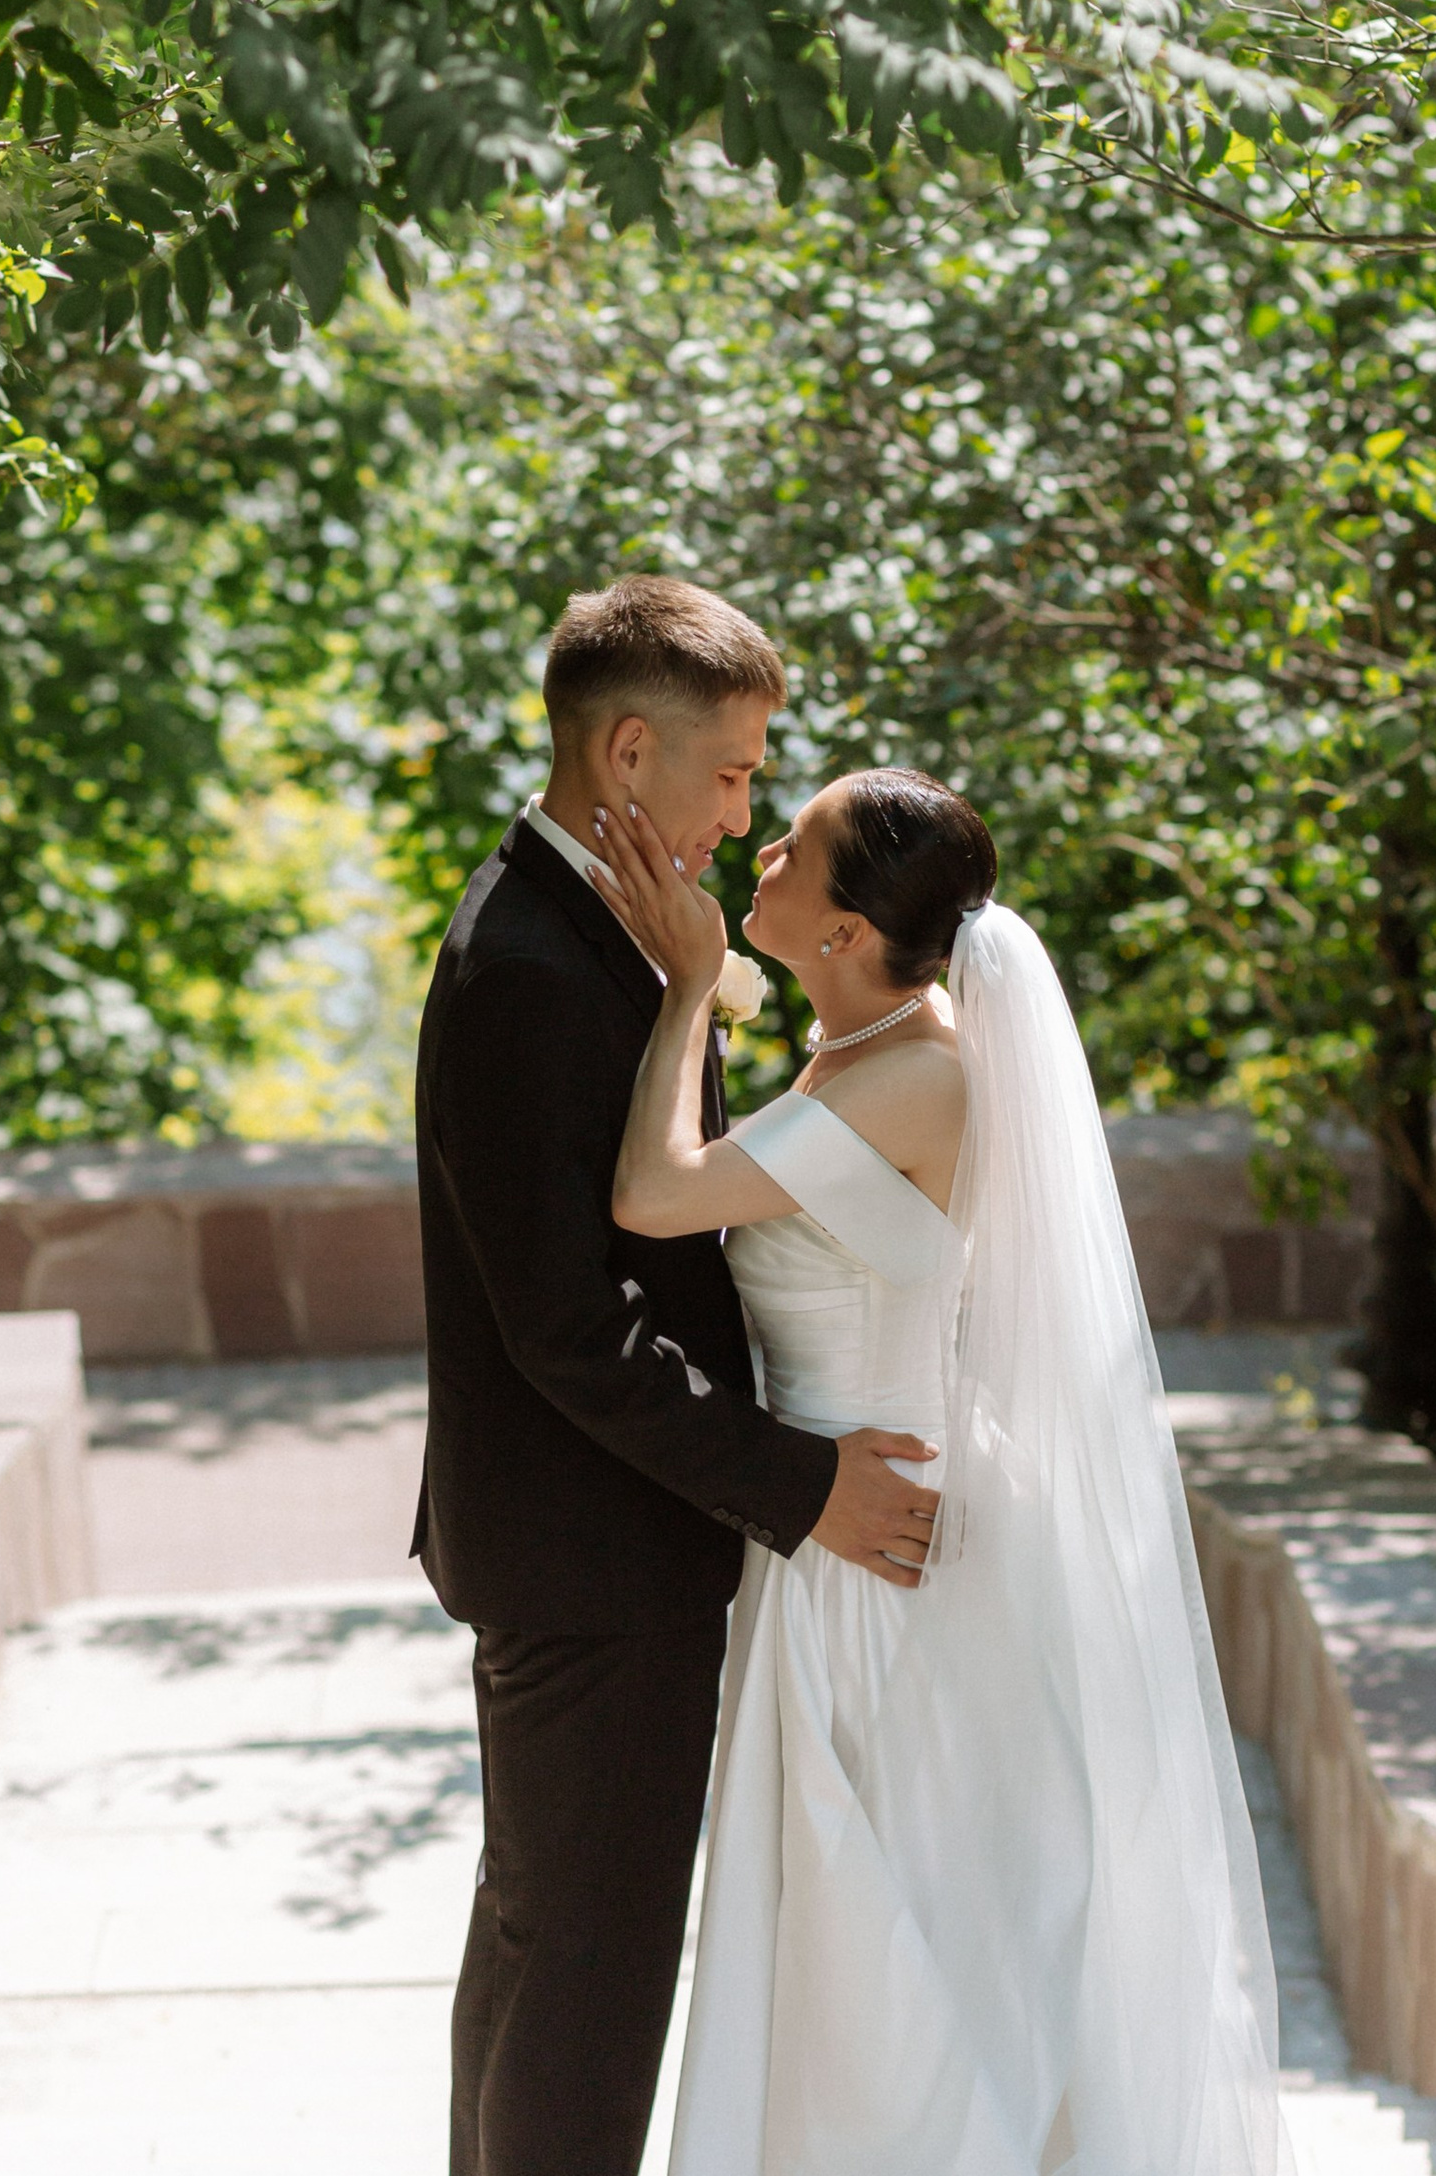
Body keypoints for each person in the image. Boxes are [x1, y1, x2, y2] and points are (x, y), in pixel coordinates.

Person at [594, 765, 1293, 2176]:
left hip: (885, 1560)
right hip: (855, 1515)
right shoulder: (872, 1052)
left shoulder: (919, 1076)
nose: (765, 845)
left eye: (799, 844)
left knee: (890, 1968)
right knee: (880, 1943)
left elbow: (655, 1197)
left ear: (848, 933)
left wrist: (688, 989)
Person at [412, 577, 937, 2176]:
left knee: (545, 1947)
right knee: (586, 1973)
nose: (748, 804)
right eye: (732, 772)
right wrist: (801, 1487)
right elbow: (570, 1326)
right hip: (592, 1554)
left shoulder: (614, 928)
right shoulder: (530, 963)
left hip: (603, 1540)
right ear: (627, 754)